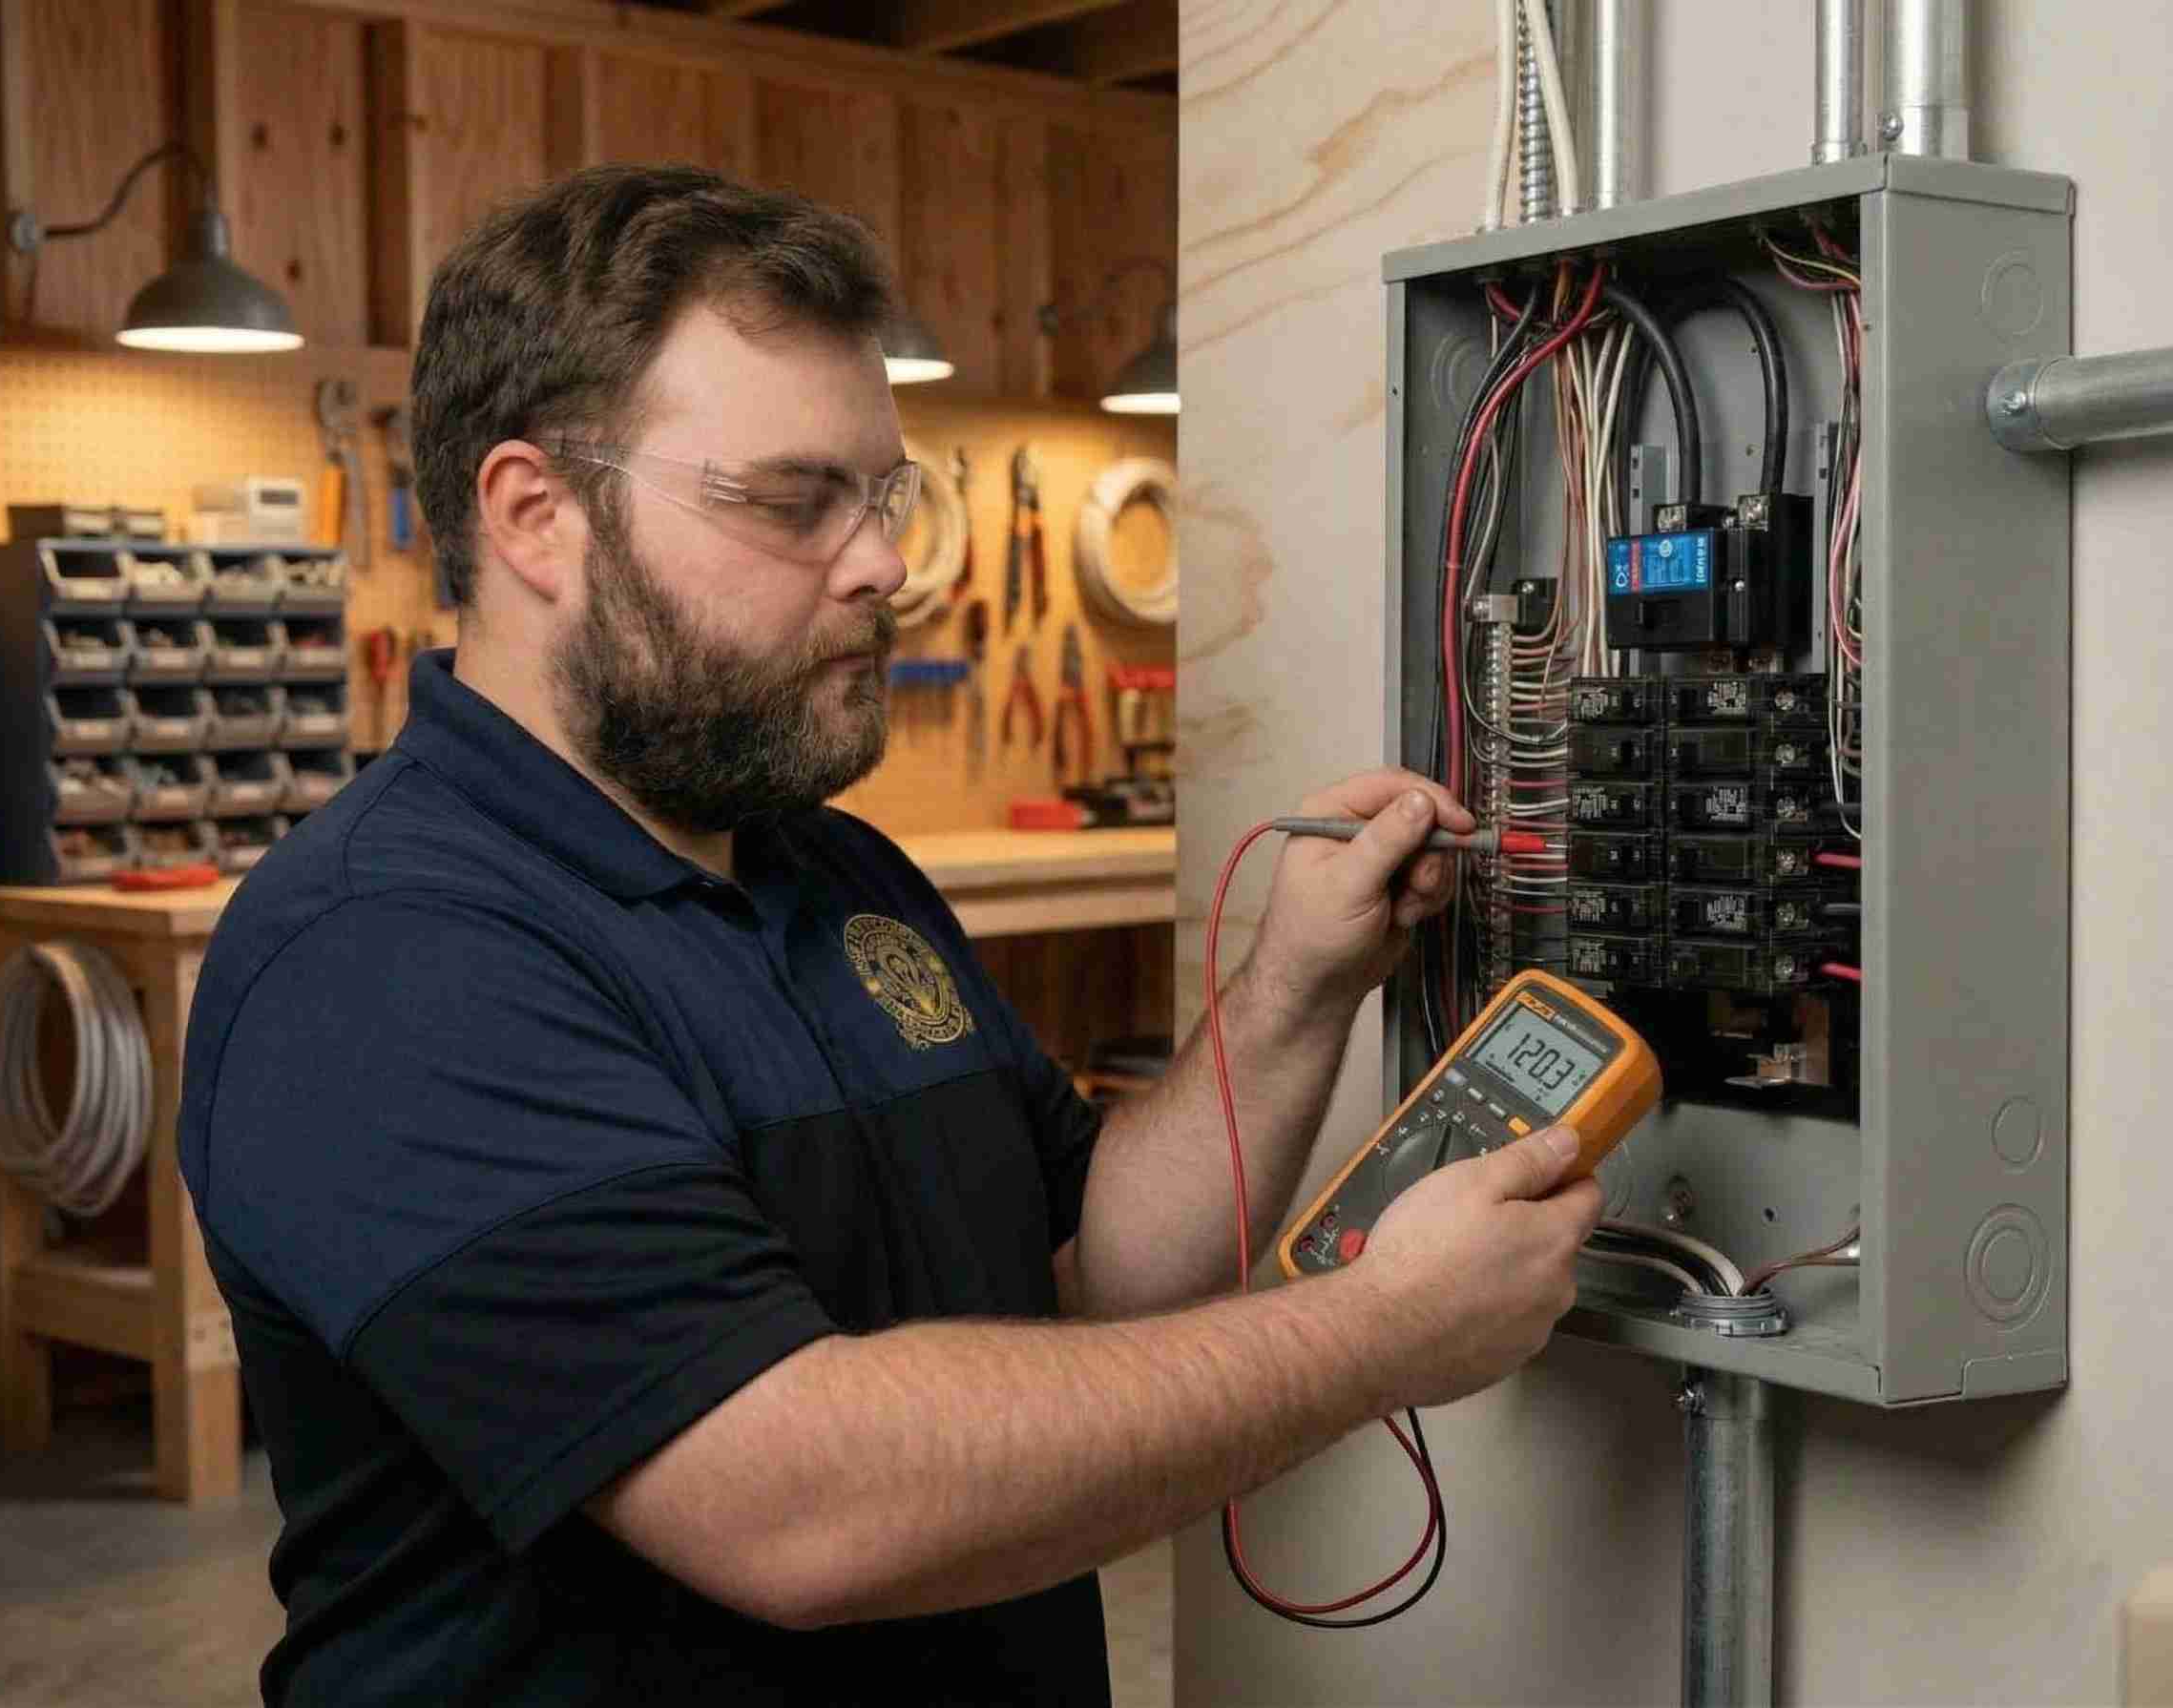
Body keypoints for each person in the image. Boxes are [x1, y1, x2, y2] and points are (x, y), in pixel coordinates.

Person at [179, 163, 1602, 1707]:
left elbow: (1093, 1265)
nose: (881, 562)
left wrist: (1291, 990)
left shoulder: (836, 869)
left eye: (883, 495)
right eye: (794, 502)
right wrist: (1377, 1332)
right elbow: (793, 1501)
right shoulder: (384, 955)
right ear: (536, 515)